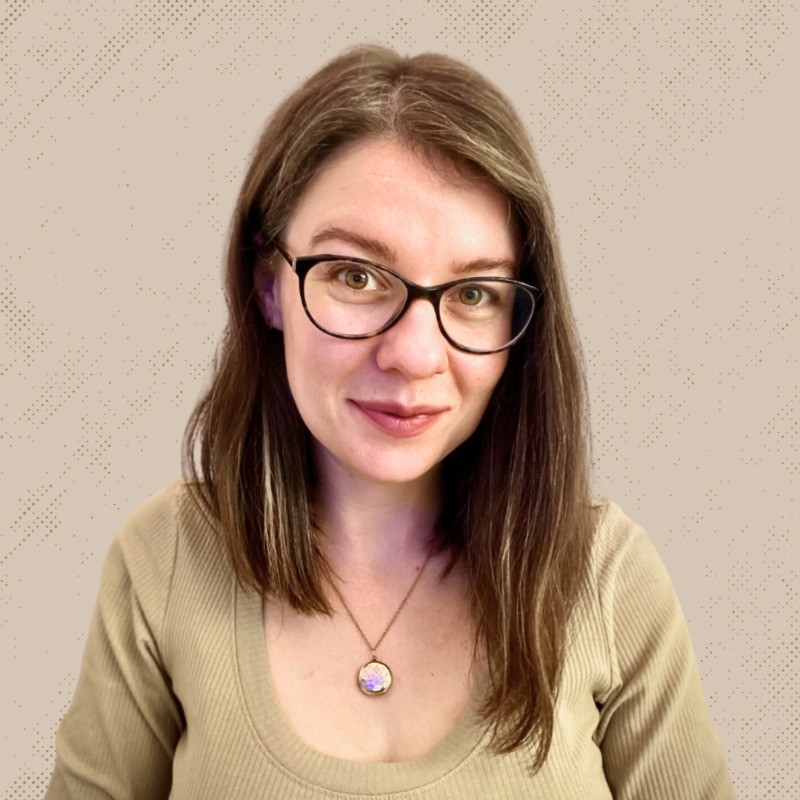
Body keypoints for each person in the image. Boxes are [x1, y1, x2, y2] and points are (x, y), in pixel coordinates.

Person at [46, 45, 735, 799]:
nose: (413, 353)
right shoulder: (165, 559)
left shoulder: (607, 576)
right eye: (355, 276)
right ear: (267, 285)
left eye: (474, 293)